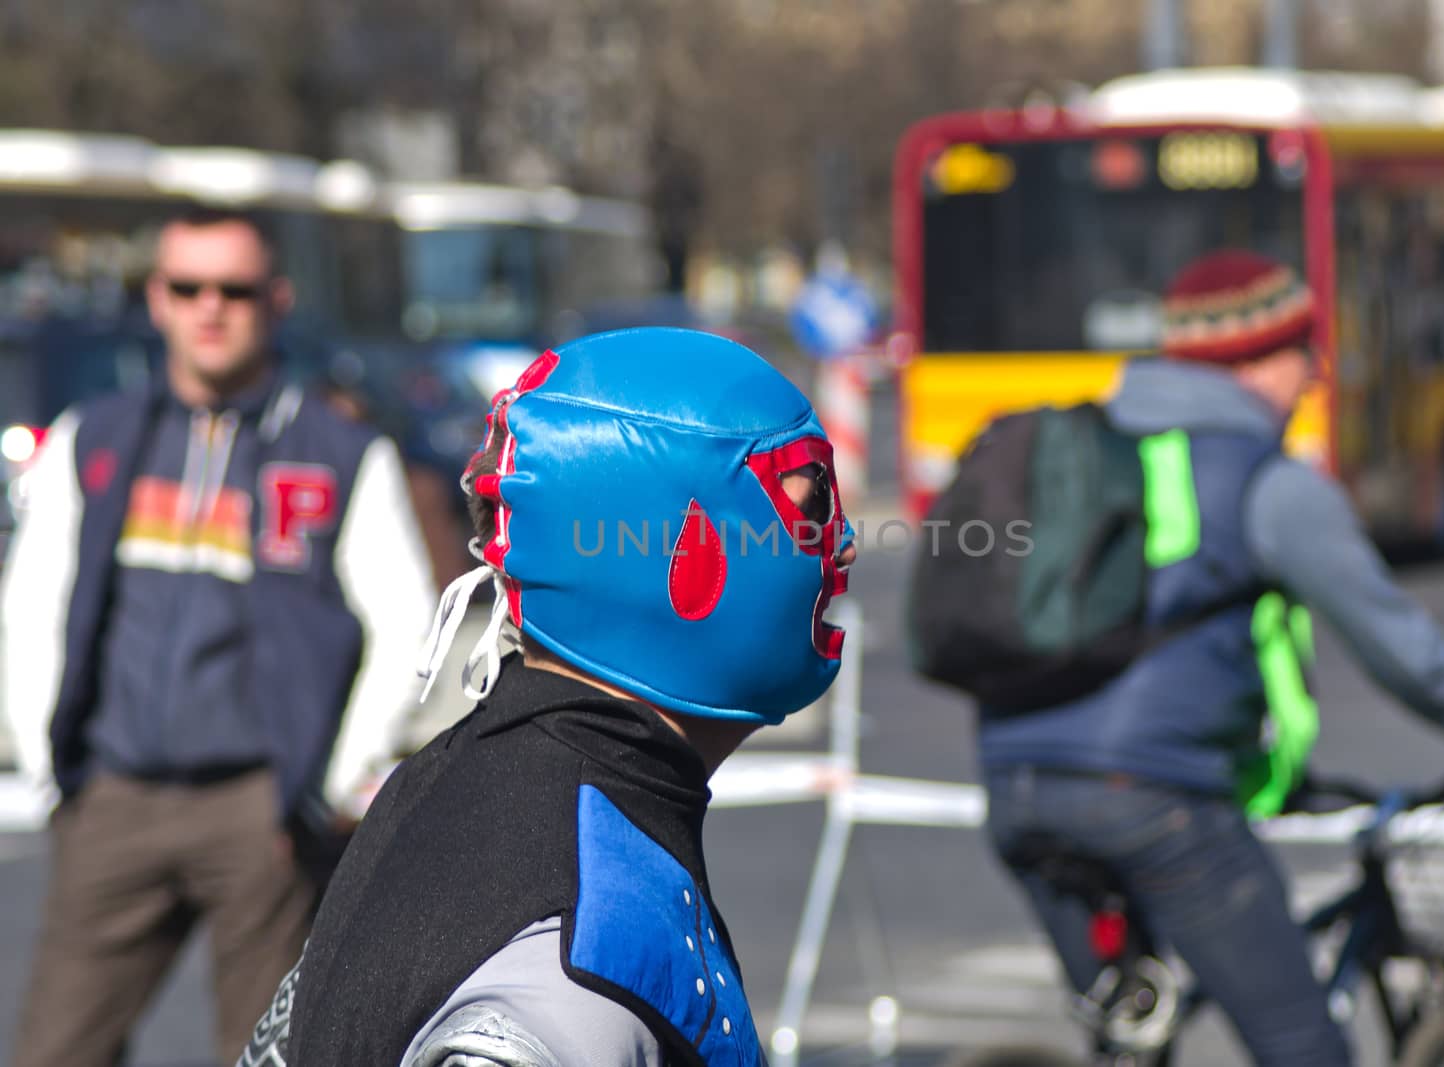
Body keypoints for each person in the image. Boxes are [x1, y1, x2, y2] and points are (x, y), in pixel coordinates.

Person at [976, 249, 1444, 1067]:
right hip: (1152, 800)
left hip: (1015, 781)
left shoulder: (1078, 450)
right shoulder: (1267, 482)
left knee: (1133, 1036)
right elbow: (1401, 646)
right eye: (1306, 350)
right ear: (1258, 357)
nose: (1316, 374)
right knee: (1304, 1047)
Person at [235, 326, 858, 1067]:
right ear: (688, 549)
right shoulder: (574, 935)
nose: (843, 541)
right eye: (809, 500)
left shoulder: (458, 777)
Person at [1, 207, 437, 1067]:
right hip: (113, 801)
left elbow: (405, 624)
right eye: (187, 286)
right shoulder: (99, 437)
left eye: (233, 289)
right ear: (156, 299)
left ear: (276, 299)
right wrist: (54, 773)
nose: (210, 308)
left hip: (263, 815)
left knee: (267, 1056)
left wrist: (326, 782)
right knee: (55, 1050)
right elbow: (33, 609)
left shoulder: (341, 451)